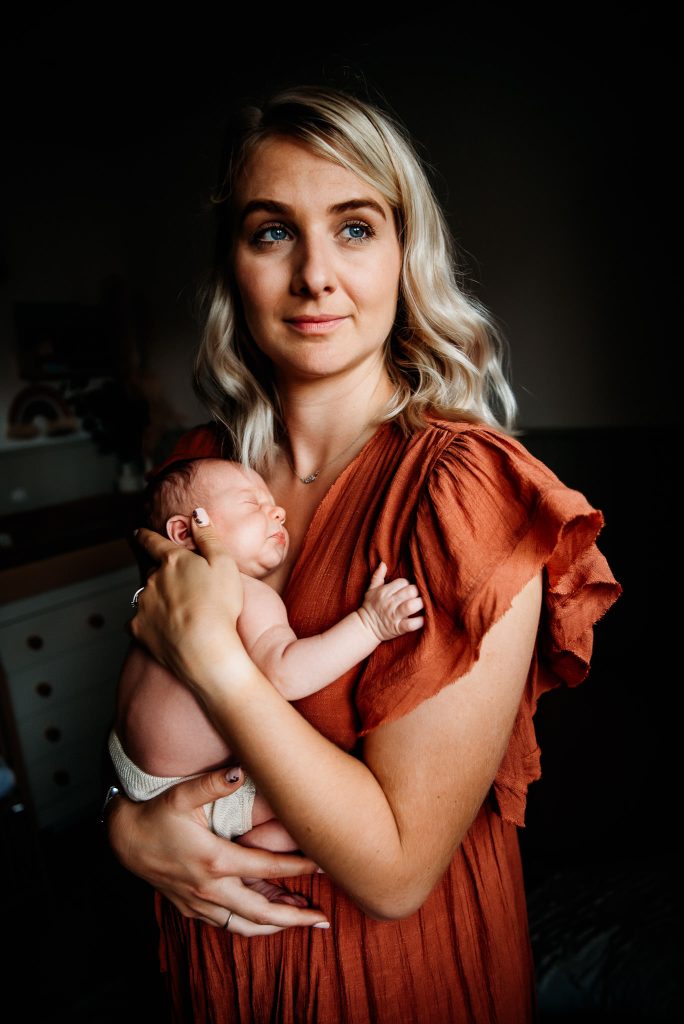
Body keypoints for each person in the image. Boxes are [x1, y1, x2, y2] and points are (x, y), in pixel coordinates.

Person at [105, 83, 621, 1022]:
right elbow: (157, 722)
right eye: (272, 232)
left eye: (353, 227)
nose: (314, 276)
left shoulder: (468, 494)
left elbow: (393, 872)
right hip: (213, 969)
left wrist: (218, 660)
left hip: (393, 980)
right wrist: (126, 825)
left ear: (404, 252)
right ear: (233, 263)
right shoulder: (197, 473)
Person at [111, 455, 424, 849]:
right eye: (250, 503)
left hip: (127, 763)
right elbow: (285, 674)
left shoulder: (163, 593)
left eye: (271, 503)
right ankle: (251, 861)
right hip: (197, 789)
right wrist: (370, 624)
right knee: (316, 812)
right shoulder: (244, 591)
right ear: (185, 531)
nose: (276, 511)